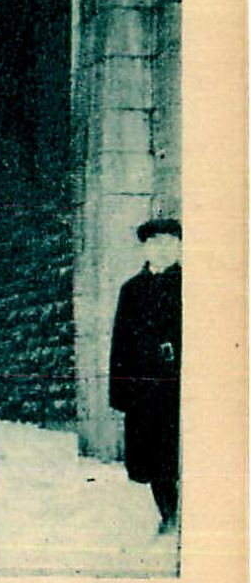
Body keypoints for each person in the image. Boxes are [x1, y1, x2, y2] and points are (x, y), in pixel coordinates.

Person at [109, 218, 183, 535]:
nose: (162, 248)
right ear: (146, 248)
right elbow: (120, 343)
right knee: (153, 461)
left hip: (179, 388)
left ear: (178, 247)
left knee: (178, 454)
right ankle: (168, 515)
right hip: (144, 392)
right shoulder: (132, 290)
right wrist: (121, 393)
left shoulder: (190, 284)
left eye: (169, 242)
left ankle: (181, 517)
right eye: (155, 243)